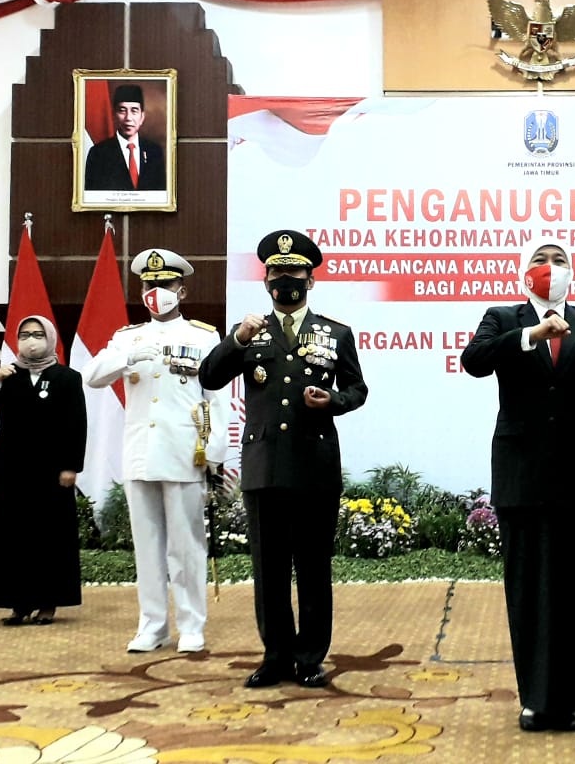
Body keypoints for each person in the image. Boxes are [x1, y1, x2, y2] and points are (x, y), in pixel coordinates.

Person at [461, 238, 575, 731]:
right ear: (525, 273)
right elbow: (474, 361)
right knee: (528, 589)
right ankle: (535, 698)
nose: (550, 267)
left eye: (559, 261)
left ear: (572, 273)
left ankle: (573, 696)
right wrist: (532, 334)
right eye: (541, 259)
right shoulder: (502, 318)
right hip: (522, 477)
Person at [199, 229, 368, 689]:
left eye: (294, 272)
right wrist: (236, 339)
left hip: (314, 464)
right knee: (269, 569)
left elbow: (358, 390)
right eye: (277, 272)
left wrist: (331, 400)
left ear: (309, 280)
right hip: (265, 465)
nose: (284, 280)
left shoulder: (335, 333)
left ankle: (310, 657)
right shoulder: (251, 331)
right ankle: (275, 656)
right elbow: (209, 377)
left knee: (313, 567)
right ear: (267, 280)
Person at [83, 249, 227, 654]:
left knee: (186, 545)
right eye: (149, 285)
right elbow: (91, 377)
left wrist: (214, 451)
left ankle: (192, 625)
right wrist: (127, 356)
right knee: (146, 547)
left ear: (182, 289)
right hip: (141, 453)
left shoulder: (203, 336)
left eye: (164, 284)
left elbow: (215, 399)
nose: (156, 291)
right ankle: (152, 625)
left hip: (185, 452)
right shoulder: (127, 338)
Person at [0, 315, 86, 626]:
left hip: (52, 471)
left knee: (49, 536)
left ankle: (48, 604)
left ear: (50, 338)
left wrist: (71, 465)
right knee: (13, 536)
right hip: (12, 469)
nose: (31, 340)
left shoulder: (67, 378)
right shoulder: (9, 375)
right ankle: (18, 604)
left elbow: (76, 425)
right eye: (25, 335)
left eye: (37, 334)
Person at [84, 84, 166, 191]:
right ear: (114, 116)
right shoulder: (98, 153)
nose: (128, 118)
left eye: (134, 111)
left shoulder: (154, 151)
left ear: (142, 117)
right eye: (122, 110)